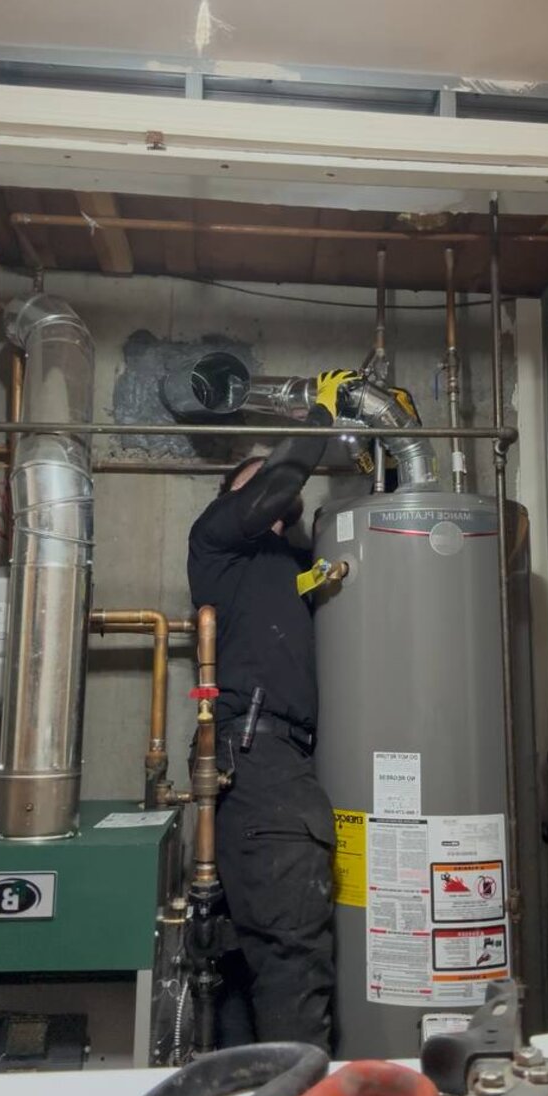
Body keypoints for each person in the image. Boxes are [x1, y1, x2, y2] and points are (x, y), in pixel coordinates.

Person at [187, 369, 360, 1054]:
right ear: (237, 498)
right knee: (290, 955)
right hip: (256, 760)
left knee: (246, 961)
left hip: (270, 764)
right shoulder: (216, 541)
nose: (278, 505)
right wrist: (320, 418)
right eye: (256, 488)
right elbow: (274, 490)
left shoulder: (290, 566)